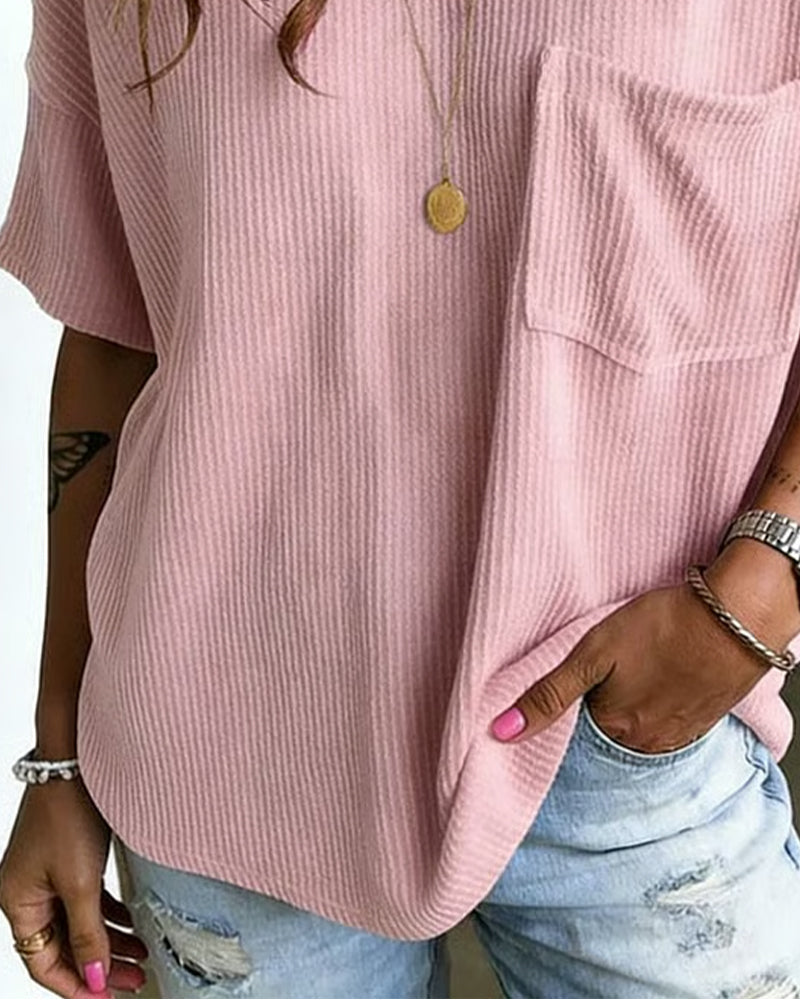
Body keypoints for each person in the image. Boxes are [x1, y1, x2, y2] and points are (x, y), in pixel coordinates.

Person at [2, 0, 800, 996]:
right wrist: (59, 755)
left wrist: (768, 575)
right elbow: (114, 332)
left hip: (625, 732)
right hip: (220, 744)